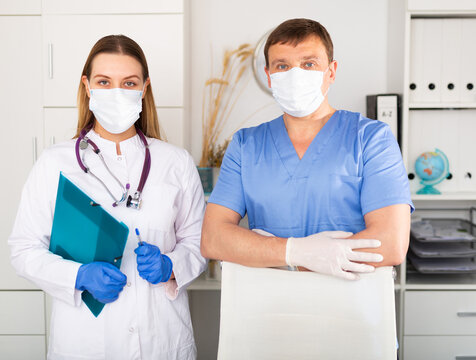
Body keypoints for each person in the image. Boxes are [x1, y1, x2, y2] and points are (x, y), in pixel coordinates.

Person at [9, 35, 206, 359]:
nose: (117, 92)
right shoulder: (55, 162)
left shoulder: (176, 161)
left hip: (161, 338)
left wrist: (171, 265)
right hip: (84, 340)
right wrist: (78, 276)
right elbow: (23, 249)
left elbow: (199, 241)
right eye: (104, 81)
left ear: (144, 88)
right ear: (87, 86)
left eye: (129, 83)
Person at [201, 18, 414, 279]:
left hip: (351, 306)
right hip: (266, 307)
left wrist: (279, 260)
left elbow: (390, 244)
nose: (295, 75)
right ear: (269, 76)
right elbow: (214, 239)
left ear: (331, 71)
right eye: (283, 66)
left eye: (308, 64)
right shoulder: (246, 145)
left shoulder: (371, 139)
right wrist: (298, 252)